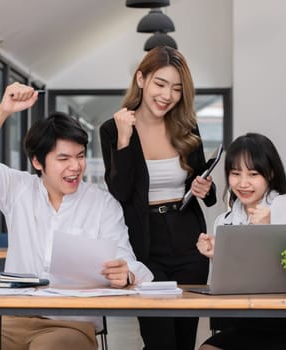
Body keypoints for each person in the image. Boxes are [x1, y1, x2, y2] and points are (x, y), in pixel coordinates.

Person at [0, 82, 153, 350]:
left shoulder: (102, 205)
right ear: (38, 162)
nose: (75, 166)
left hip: (71, 324)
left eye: (80, 156)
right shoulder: (17, 190)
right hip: (12, 321)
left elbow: (130, 263)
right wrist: (3, 110)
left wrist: (126, 273)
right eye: (63, 159)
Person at [99, 46, 217, 350]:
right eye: (160, 84)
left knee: (184, 338)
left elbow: (202, 180)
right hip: (145, 244)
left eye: (177, 89)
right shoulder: (113, 129)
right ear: (141, 79)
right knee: (158, 339)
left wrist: (206, 187)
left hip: (188, 240)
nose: (167, 95)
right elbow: (120, 193)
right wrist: (124, 141)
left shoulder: (186, 126)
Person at [197, 132, 286, 350]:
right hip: (246, 323)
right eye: (235, 174)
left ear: (270, 173)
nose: (243, 183)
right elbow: (227, 287)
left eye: (253, 174)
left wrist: (270, 227)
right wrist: (218, 255)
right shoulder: (224, 221)